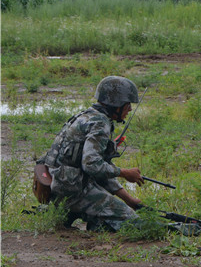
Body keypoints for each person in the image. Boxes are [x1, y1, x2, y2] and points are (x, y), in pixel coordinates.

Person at [37, 76, 145, 231]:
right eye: (127, 105)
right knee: (134, 223)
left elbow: (99, 170)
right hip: (72, 192)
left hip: (61, 187)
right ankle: (83, 214)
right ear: (116, 104)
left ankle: (79, 214)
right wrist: (125, 173)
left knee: (122, 215)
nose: (130, 109)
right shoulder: (100, 124)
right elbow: (92, 166)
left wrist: (130, 200)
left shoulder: (87, 115)